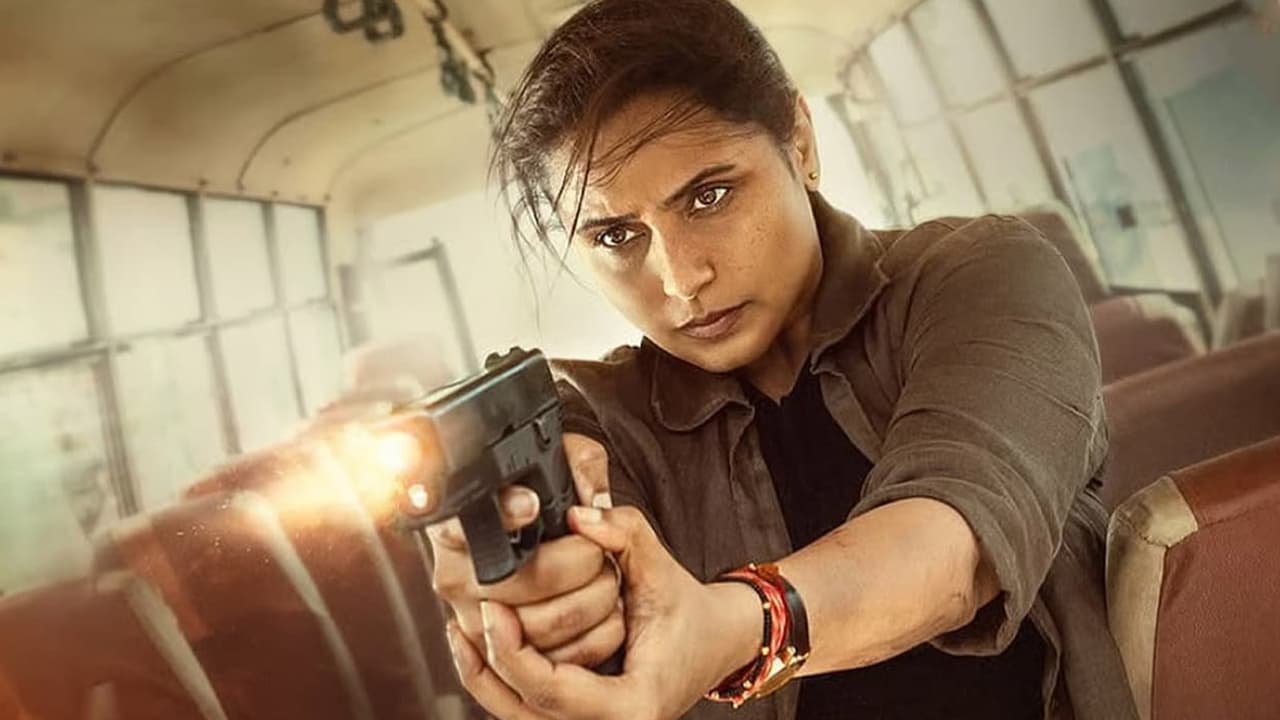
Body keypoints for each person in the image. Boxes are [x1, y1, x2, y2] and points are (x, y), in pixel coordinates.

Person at [426, 1, 1138, 718]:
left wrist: (738, 628)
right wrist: (542, 588)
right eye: (615, 237)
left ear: (799, 141)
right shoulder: (594, 420)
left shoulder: (980, 276)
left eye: (709, 196)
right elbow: (569, 485)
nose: (680, 280)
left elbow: (954, 545)